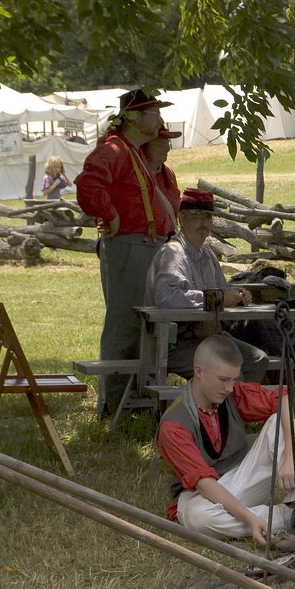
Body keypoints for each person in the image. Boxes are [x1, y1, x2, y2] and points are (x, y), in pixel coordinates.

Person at [156, 334, 295, 545]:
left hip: (241, 480)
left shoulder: (233, 394)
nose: (230, 388)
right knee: (199, 519)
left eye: (233, 379)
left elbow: (291, 400)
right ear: (199, 372)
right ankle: (292, 517)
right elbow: (205, 484)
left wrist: (290, 457)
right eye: (223, 380)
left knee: (282, 421)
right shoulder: (173, 426)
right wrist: (249, 518)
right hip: (199, 496)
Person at [76, 88, 179, 415]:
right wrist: (110, 215)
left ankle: (133, 400)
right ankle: (115, 405)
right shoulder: (116, 149)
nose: (159, 119)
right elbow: (88, 184)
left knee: (141, 325)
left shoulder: (128, 150)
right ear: (134, 117)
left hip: (145, 248)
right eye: (153, 112)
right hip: (132, 247)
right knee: (125, 325)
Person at [145, 188, 269, 383]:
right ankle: (222, 412)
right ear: (181, 218)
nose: (204, 223)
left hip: (206, 338)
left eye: (208, 217)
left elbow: (223, 291)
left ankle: (235, 411)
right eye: (197, 217)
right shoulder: (173, 254)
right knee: (232, 374)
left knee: (258, 360)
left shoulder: (208, 255)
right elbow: (166, 297)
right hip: (174, 344)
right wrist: (216, 298)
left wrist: (239, 296)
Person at [144, 126, 182, 215]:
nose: (167, 149)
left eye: (167, 142)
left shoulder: (169, 172)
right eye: (161, 143)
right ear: (145, 146)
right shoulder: (136, 176)